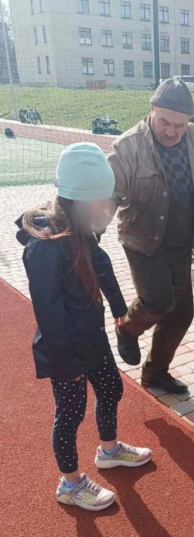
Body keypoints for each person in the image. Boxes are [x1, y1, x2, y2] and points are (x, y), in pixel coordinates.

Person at [16, 143, 152, 511]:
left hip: (92, 337)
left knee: (111, 390)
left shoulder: (82, 230)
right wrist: (67, 365)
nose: (107, 208)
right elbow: (48, 314)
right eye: (100, 201)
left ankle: (108, 451)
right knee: (71, 414)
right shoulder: (44, 247)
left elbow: (102, 264)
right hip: (65, 349)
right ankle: (70, 484)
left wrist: (122, 313)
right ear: (76, 199)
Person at [107, 78, 194, 394]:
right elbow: (107, 197)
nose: (171, 131)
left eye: (180, 125)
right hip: (143, 240)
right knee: (159, 301)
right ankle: (127, 329)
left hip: (181, 242)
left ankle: (155, 372)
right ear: (152, 109)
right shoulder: (127, 147)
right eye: (164, 122)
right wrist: (85, 236)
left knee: (182, 313)